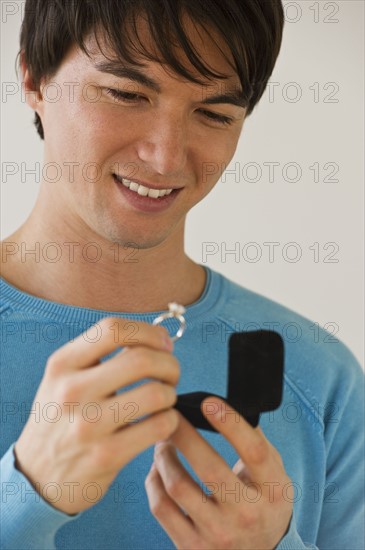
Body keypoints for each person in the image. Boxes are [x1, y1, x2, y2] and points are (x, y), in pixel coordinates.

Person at [1, 0, 363, 548]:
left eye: (215, 114)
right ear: (33, 77)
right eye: (126, 94)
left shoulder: (318, 375)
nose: (166, 157)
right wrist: (23, 498)